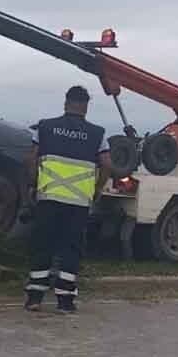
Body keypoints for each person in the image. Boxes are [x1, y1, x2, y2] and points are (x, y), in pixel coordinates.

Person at [24, 85, 112, 314]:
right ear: (85, 107)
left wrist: (33, 184)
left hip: (48, 197)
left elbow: (32, 157)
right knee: (70, 248)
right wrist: (97, 189)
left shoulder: (44, 127)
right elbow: (107, 165)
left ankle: (35, 297)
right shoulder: (98, 134)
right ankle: (65, 301)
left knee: (43, 244)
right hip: (78, 202)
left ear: (66, 103)